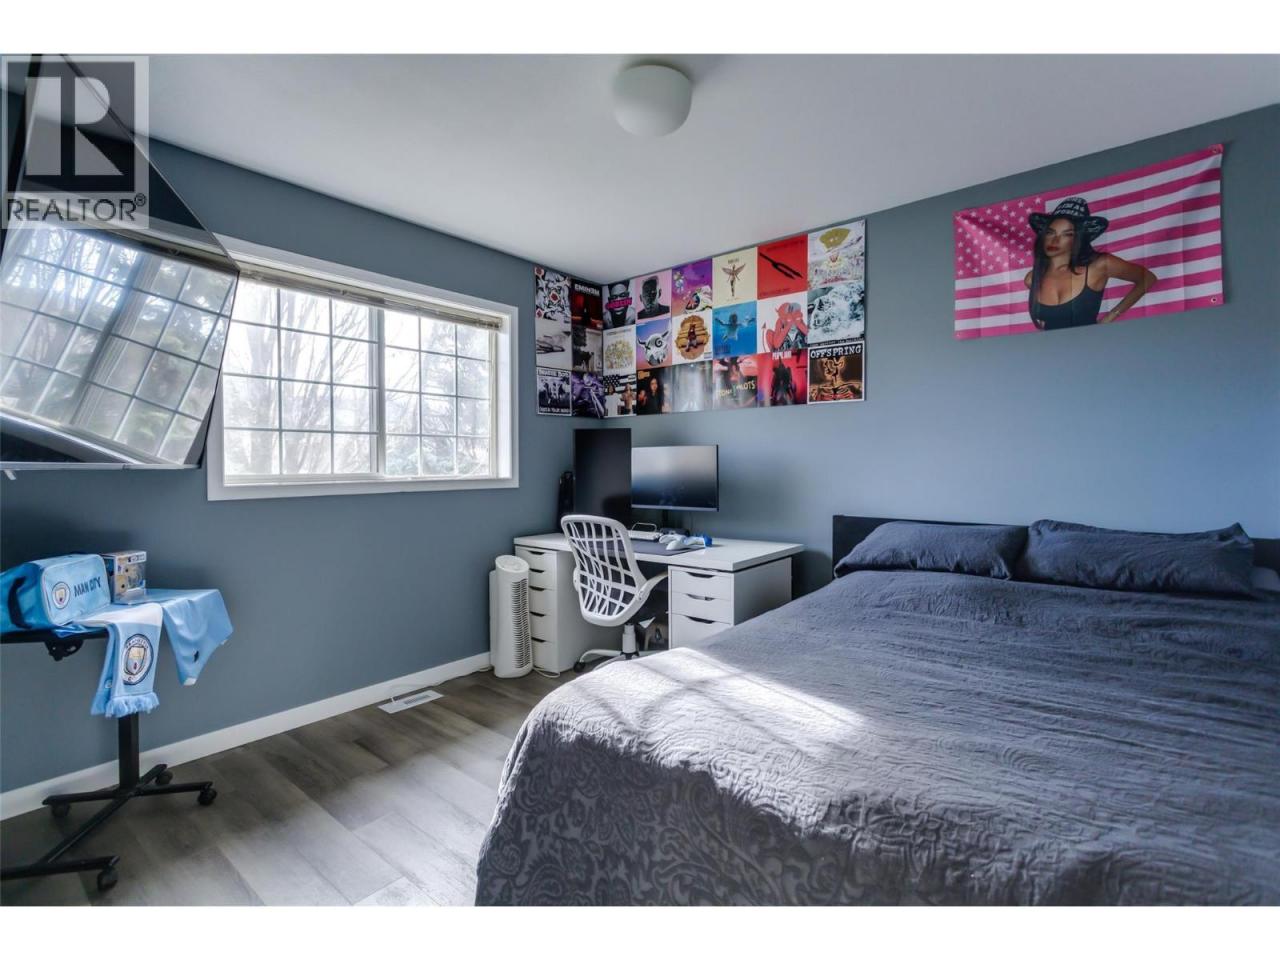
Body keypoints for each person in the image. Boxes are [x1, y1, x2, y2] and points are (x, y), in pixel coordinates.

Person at [1024, 197, 1156, 330]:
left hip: (1092, 343)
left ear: (1078, 238)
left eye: (1067, 234)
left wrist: (1111, 316)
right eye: (1050, 233)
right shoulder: (1033, 278)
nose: (1055, 240)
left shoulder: (1100, 265)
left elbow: (1148, 278)